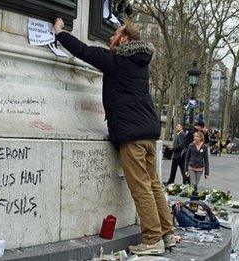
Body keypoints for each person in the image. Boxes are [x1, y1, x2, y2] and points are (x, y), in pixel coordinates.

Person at [54, 18, 173, 255]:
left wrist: (60, 33)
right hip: (148, 132)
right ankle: (167, 233)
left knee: (141, 188)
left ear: (124, 39)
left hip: (131, 135)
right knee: (154, 186)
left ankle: (152, 239)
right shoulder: (140, 64)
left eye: (115, 34)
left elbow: (84, 51)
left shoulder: (117, 61)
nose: (110, 38)